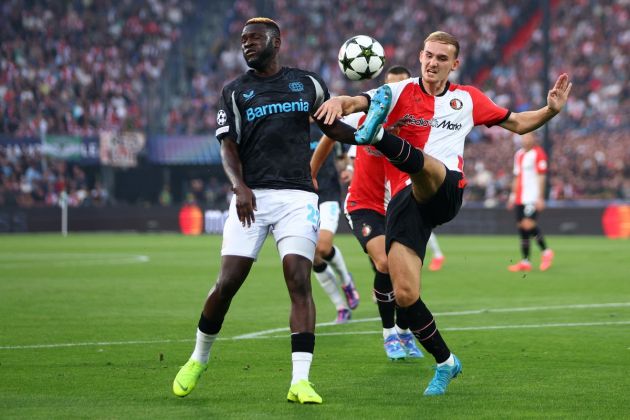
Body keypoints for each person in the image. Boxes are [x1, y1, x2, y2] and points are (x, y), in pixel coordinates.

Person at [314, 31, 571, 396]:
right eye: (428, 56)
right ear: (420, 56)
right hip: (407, 203)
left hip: (446, 187)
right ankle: (446, 362)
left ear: (455, 64)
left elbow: (517, 122)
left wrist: (551, 111)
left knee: (428, 167)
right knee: (405, 293)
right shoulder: (398, 92)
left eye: (441, 58)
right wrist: (339, 101)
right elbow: (357, 100)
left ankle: (376, 138)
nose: (433, 63)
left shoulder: (467, 99)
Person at [172, 17, 331, 404]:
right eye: (243, 40)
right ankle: (198, 357)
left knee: (298, 279)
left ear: (276, 42)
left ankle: (300, 381)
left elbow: (331, 127)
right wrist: (239, 188)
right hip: (253, 197)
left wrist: (362, 129)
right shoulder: (234, 91)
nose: (246, 45)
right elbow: (227, 145)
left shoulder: (307, 83)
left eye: (254, 39)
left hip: (297, 197)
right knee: (227, 283)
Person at [311, 65, 423, 360]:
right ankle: (389, 335)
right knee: (385, 263)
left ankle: (403, 331)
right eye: (390, 89)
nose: (395, 95)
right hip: (364, 206)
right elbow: (329, 137)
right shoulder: (364, 115)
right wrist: (312, 172)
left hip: (402, 207)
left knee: (405, 278)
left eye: (402, 89)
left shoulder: (418, 125)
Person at [309, 121, 360, 324]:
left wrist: (348, 168)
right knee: (312, 257)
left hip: (328, 195)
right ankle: (341, 307)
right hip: (304, 199)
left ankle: (346, 281)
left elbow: (341, 156)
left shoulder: (326, 129)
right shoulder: (290, 129)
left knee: (323, 246)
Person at [507, 132, 554, 272]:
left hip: (532, 197)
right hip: (520, 197)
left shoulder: (538, 153)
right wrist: (512, 195)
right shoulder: (519, 154)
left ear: (534, 139)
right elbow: (516, 176)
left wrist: (540, 197)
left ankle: (546, 252)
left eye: (528, 137)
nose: (525, 139)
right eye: (523, 137)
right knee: (522, 227)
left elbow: (541, 176)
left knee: (528, 225)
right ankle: (525, 261)